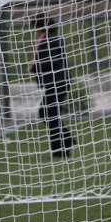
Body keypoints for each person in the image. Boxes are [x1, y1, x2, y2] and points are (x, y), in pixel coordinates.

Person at [30, 13, 75, 158]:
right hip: (55, 82)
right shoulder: (47, 37)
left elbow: (54, 59)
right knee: (49, 114)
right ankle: (64, 144)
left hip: (58, 82)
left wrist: (36, 66)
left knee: (47, 114)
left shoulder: (51, 38)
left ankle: (63, 145)